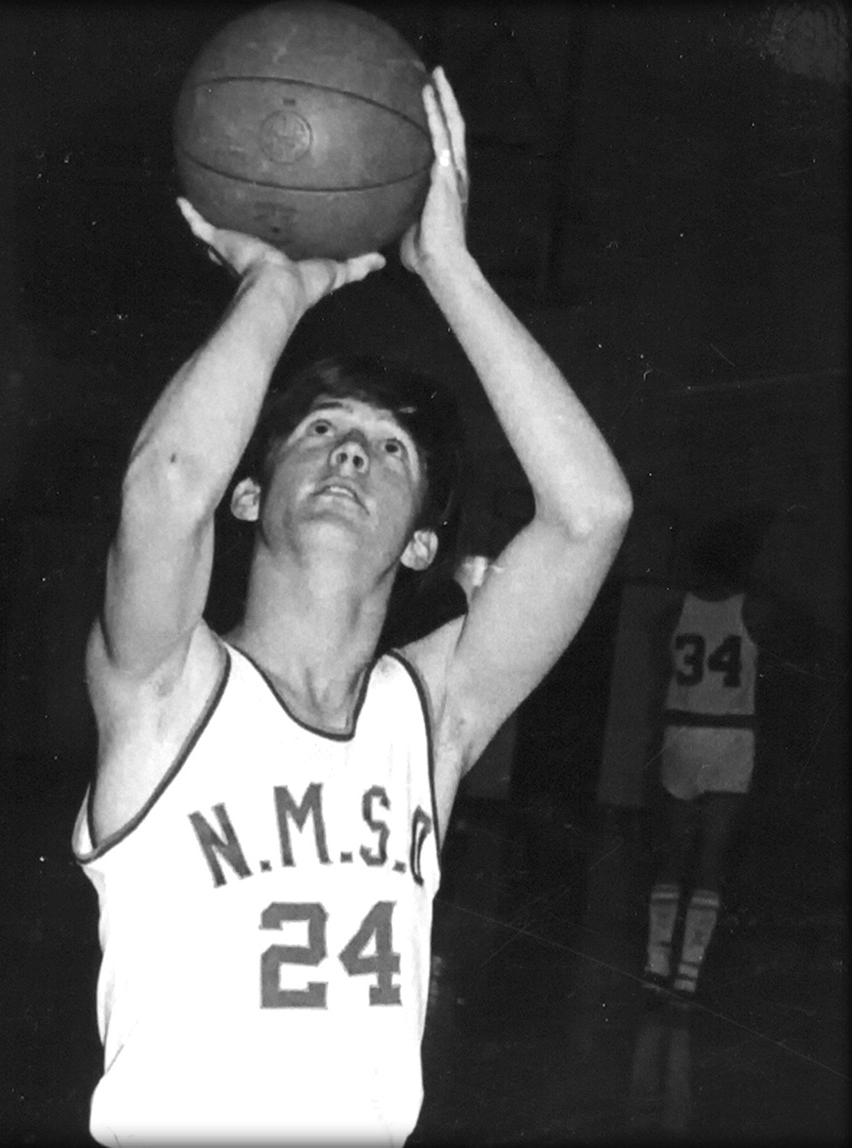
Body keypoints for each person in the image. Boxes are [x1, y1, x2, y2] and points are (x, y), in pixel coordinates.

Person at [72, 66, 632, 1146]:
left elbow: (590, 514)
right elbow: (165, 481)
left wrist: (451, 268)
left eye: (389, 448)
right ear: (250, 491)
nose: (350, 454)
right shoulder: (165, 688)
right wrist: (276, 289)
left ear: (422, 537)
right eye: (320, 429)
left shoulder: (431, 717)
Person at [643, 515, 771, 1002]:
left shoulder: (673, 612)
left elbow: (661, 676)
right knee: (711, 859)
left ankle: (656, 963)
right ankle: (687, 976)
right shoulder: (755, 611)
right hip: (731, 738)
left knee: (674, 854)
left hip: (682, 730)